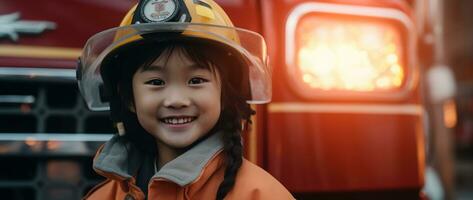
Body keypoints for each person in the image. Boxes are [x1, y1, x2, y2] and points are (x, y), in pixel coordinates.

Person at [76, 0, 294, 199]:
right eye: (156, 82)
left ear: (225, 93)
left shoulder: (262, 194)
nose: (176, 100)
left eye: (196, 80)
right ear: (128, 98)